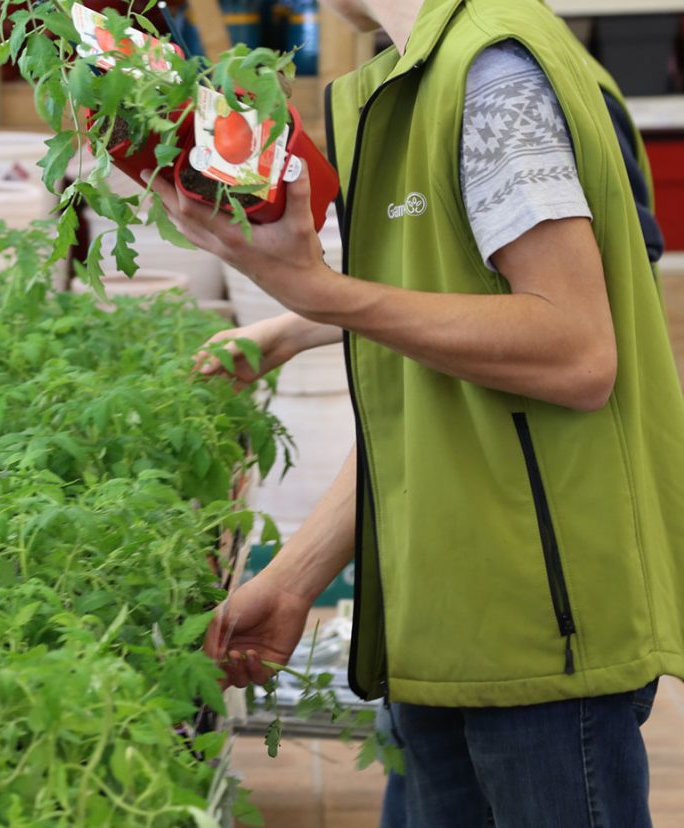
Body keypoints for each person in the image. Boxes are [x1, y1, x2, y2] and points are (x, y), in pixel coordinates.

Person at [147, 0, 684, 825]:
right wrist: (296, 576)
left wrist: (317, 291)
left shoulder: (493, 74)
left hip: (538, 622)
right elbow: (432, 397)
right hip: (437, 616)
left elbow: (578, 353)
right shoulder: (397, 85)